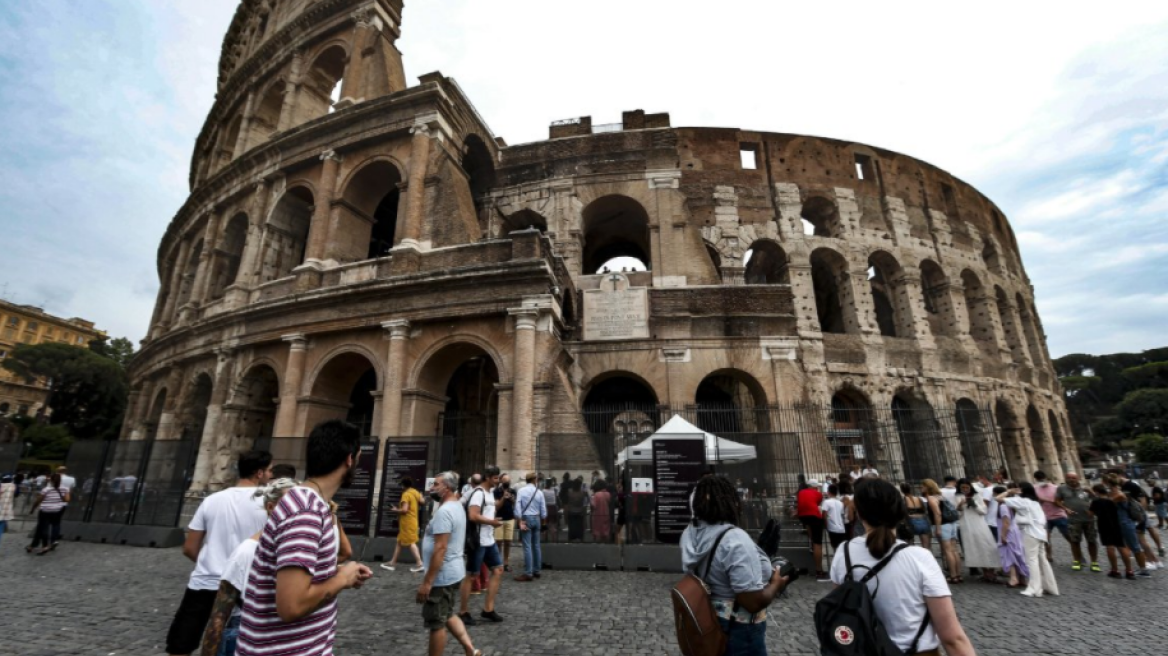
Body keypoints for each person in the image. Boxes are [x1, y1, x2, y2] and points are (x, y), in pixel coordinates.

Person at [235, 421, 373, 656]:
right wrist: (342, 578)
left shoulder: (306, 503)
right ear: (349, 459)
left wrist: (335, 570)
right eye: (358, 458)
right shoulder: (305, 511)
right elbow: (292, 606)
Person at [830, 478, 976, 656]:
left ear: (859, 514)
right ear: (900, 512)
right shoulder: (919, 557)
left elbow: (842, 609)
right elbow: (952, 638)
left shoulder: (842, 553)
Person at [165, 450, 273, 656]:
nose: (270, 475)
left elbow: (189, 547)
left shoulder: (211, 500)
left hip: (206, 580)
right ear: (259, 473)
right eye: (269, 471)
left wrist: (208, 561)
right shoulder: (267, 505)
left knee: (182, 643)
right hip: (247, 584)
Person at [681, 476, 788, 656]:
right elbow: (752, 601)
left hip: (708, 621)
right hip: (740, 629)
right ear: (730, 503)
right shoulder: (735, 539)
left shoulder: (690, 532)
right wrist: (776, 584)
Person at [199, 477, 298, 656]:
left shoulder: (302, 551)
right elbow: (219, 617)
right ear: (271, 508)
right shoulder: (247, 552)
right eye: (291, 507)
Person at [417, 471, 481, 656]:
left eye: (435, 484)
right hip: (454, 571)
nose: (431, 488)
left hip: (442, 576)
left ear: (446, 487)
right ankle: (471, 650)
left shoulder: (445, 511)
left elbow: (440, 548)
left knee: (436, 623)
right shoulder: (456, 505)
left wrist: (427, 583)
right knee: (448, 613)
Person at [459, 465, 504, 626]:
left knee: (498, 570)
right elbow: (473, 515)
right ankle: (463, 612)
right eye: (496, 478)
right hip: (477, 541)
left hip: (489, 539)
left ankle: (488, 609)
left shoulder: (490, 493)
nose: (498, 481)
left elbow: (488, 511)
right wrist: (491, 522)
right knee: (472, 575)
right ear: (488, 477)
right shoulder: (478, 494)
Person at [997, 482, 1059, 597]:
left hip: (1030, 533)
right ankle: (1050, 587)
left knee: (1032, 561)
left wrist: (1009, 492)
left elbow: (998, 498)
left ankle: (1034, 589)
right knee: (1043, 561)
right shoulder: (1035, 502)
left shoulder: (1022, 502)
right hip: (1040, 533)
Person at [1104, 474, 1153, 577]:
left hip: (1126, 523)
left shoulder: (1119, 494)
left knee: (1135, 547)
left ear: (1109, 483)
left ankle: (1144, 570)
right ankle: (1131, 570)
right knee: (1124, 547)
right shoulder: (1112, 493)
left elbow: (1106, 505)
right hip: (1118, 523)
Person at [1115, 471, 1164, 565]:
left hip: (1138, 514)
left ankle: (1154, 558)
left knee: (1143, 536)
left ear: (1120, 475)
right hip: (1134, 515)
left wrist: (1141, 515)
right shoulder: (1122, 486)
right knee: (1140, 538)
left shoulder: (1132, 485)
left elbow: (1143, 499)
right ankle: (1153, 560)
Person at [1091, 483, 1137, 579]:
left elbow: (1090, 514)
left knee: (1110, 547)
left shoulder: (1096, 501)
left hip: (1104, 526)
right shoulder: (1114, 499)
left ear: (1096, 492)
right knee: (1122, 547)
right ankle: (1129, 571)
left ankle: (1115, 570)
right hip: (1116, 525)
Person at [957, 479, 999, 583]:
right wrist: (960, 506)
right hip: (966, 525)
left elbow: (984, 511)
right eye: (963, 488)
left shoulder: (977, 496)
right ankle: (985, 572)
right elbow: (957, 514)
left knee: (986, 545)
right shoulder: (957, 497)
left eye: (967, 487)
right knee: (976, 548)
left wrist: (974, 505)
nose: (965, 490)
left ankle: (992, 571)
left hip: (979, 524)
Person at [1057, 472, 1100, 572]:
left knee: (1092, 541)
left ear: (1078, 478)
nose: (1071, 480)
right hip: (1074, 519)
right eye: (1069, 478)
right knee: (1075, 541)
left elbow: (1097, 500)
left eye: (1074, 478)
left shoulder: (1086, 488)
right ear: (1065, 478)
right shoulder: (1061, 489)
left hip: (1089, 519)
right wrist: (1065, 508)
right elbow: (1057, 500)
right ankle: (1077, 561)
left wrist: (1091, 493)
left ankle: (1094, 562)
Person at [924, 478, 962, 583]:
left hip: (943, 525)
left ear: (927, 487)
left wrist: (938, 528)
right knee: (954, 550)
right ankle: (959, 575)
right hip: (952, 523)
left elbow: (937, 514)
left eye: (922, 487)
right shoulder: (941, 496)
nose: (921, 488)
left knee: (948, 551)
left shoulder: (931, 498)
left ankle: (953, 576)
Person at [384, 477, 425, 573]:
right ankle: (392, 562)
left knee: (411, 543)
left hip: (407, 522)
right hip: (413, 521)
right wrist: (421, 496)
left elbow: (404, 510)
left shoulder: (406, 494)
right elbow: (422, 501)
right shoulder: (415, 492)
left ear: (403, 485)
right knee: (399, 542)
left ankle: (419, 564)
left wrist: (395, 510)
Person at [514, 471, 547, 582]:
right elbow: (543, 511)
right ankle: (537, 570)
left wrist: (519, 520)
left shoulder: (521, 491)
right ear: (534, 480)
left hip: (526, 518)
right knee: (536, 545)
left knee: (527, 546)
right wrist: (543, 520)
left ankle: (528, 572)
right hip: (537, 518)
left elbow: (518, 506)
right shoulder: (539, 492)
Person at [27, 472, 69, 555]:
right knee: (53, 525)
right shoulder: (65, 489)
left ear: (51, 480)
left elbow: (38, 500)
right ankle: (34, 545)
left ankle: (44, 546)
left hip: (45, 511)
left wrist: (32, 509)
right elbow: (67, 500)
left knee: (43, 528)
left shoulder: (46, 489)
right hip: (57, 510)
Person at [995, 485, 1029, 587]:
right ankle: (1022, 578)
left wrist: (1003, 536)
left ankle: (1013, 578)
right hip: (1015, 531)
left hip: (1008, 532)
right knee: (1018, 554)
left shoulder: (1003, 506)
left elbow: (1006, 522)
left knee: (1009, 554)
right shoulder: (1012, 505)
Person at [1033, 470, 1069, 562]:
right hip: (1044, 517)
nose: (1042, 481)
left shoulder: (1056, 488)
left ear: (1046, 478)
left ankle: (1078, 554)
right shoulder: (1035, 488)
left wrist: (1060, 503)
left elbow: (1063, 500)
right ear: (1036, 480)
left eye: (1043, 479)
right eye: (1039, 480)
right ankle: (1049, 556)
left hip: (1059, 515)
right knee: (1046, 538)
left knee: (1068, 535)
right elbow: (1035, 502)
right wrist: (1041, 501)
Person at [795, 479, 826, 580]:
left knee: (812, 539)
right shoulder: (818, 494)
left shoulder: (800, 492)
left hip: (803, 516)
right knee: (818, 544)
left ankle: (812, 543)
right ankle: (819, 571)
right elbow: (818, 505)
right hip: (814, 516)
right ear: (814, 487)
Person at [492, 474, 516, 572]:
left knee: (508, 542)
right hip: (499, 519)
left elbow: (515, 503)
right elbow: (497, 507)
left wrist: (511, 498)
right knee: (498, 542)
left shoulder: (513, 491)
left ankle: (506, 563)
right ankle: (498, 563)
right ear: (501, 481)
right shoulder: (496, 491)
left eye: (508, 480)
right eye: (505, 480)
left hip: (510, 518)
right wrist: (503, 497)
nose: (507, 482)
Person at [903, 483, 931, 550]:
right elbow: (925, 511)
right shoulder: (919, 498)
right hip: (923, 521)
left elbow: (903, 512)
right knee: (926, 546)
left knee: (910, 545)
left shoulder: (904, 499)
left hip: (911, 522)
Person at [821, 484, 847, 552]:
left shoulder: (826, 502)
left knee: (834, 547)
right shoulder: (841, 503)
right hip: (841, 528)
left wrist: (826, 527)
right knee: (841, 548)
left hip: (832, 528)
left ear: (828, 492)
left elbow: (824, 515)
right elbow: (842, 515)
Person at [541, 478, 559, 543]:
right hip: (553, 508)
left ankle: (544, 539)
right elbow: (556, 499)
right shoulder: (554, 490)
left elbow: (542, 501)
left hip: (546, 508)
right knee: (552, 525)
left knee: (544, 524)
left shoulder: (543, 491)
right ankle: (554, 540)